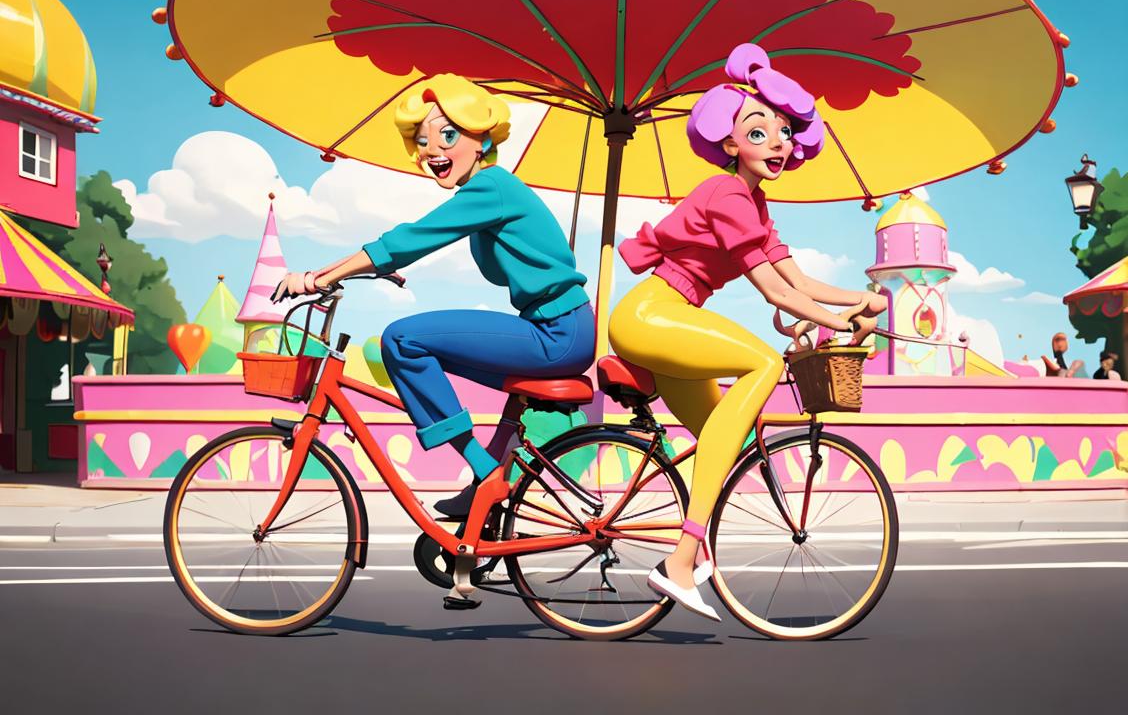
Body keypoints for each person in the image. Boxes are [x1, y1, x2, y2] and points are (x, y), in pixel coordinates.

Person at [609, 43, 885, 621]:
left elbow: (799, 278)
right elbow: (777, 293)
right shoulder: (728, 193)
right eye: (759, 133)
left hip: (671, 317)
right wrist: (842, 321)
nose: (778, 142)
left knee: (721, 437)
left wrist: (859, 298)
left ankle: (686, 549)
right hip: (652, 314)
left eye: (785, 132)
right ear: (730, 144)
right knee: (762, 363)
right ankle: (680, 562)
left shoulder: (754, 204)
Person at [273, 74, 594, 519]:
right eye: (422, 141)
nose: (432, 151)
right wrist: (385, 267)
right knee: (427, 346)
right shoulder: (487, 193)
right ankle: (487, 483)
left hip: (556, 332)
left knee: (403, 340)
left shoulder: (492, 187)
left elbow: (414, 238)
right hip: (555, 326)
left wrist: (318, 277)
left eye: (448, 134)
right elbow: (419, 245)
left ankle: (485, 471)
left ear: (481, 139)